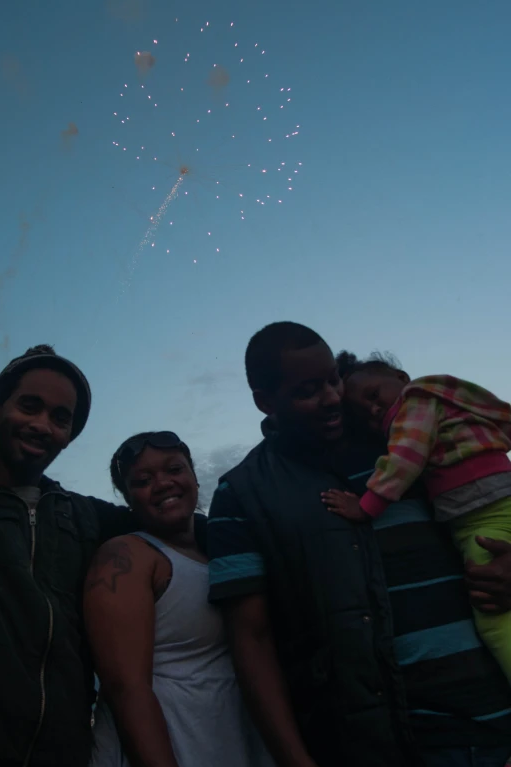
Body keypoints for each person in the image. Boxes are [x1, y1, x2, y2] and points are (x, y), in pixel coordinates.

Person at [207, 322, 511, 767]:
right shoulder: (242, 495)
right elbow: (251, 640)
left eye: (332, 379)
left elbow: (493, 498)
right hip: (385, 748)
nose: (332, 397)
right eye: (308, 390)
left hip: (498, 723)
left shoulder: (407, 443)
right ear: (265, 402)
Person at [0, 344, 133, 767]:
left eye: (60, 418)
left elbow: (170, 522)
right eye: (29, 406)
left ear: (69, 437)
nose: (41, 425)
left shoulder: (86, 516)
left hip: (63, 751)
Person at [86, 431, 273, 767]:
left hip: (229, 739)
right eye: (143, 480)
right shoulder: (128, 555)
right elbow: (125, 688)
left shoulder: (220, 551)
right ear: (128, 497)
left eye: (174, 469)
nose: (163, 484)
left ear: (194, 477)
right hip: (169, 748)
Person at [322, 353, 511, 683]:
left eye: (373, 396)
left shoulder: (416, 401)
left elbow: (405, 458)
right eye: (363, 415)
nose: (375, 411)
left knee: (494, 621)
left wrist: (366, 507)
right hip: (485, 511)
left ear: (401, 376)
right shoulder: (440, 411)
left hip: (485, 516)